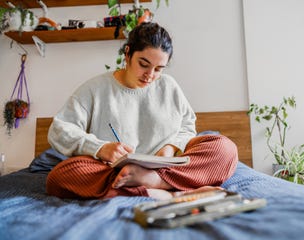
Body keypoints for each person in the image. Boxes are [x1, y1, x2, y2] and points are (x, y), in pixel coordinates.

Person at [46, 22, 238, 200]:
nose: (150, 75)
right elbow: (59, 130)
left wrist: (171, 147)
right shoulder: (95, 88)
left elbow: (187, 125)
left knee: (225, 149)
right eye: (144, 65)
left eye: (159, 69)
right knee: (59, 176)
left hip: (165, 167)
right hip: (115, 170)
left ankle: (153, 182)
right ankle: (172, 193)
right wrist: (100, 148)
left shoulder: (169, 86)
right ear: (128, 54)